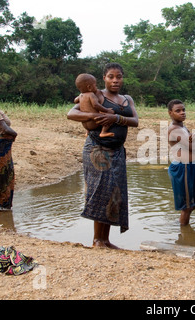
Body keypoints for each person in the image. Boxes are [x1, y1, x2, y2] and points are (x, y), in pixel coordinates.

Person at [67, 63, 139, 249]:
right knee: (101, 192)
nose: (115, 80)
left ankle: (105, 240)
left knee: (113, 192)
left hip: (117, 152)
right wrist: (94, 116)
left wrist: (115, 118)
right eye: (111, 77)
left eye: (119, 77)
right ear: (104, 78)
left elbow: (135, 121)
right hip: (97, 149)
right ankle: (97, 240)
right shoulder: (94, 94)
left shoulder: (126, 99)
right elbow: (71, 113)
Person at [75, 73, 115, 138]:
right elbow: (96, 105)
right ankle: (103, 132)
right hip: (94, 123)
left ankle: (87, 132)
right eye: (95, 85)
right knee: (109, 117)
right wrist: (106, 110)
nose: (96, 87)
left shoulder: (80, 95)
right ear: (89, 87)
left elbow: (75, 101)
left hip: (85, 124)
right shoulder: (91, 94)